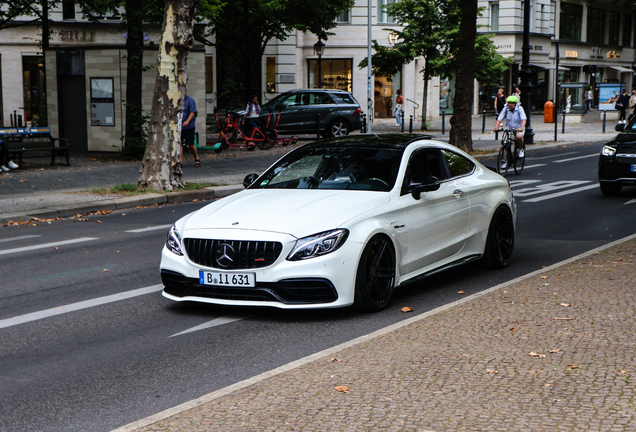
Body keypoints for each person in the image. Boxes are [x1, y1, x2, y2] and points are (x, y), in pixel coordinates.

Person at [494, 95, 527, 170]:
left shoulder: (519, 109)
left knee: (519, 137)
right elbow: (500, 118)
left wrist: (521, 127)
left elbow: (524, 119)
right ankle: (505, 161)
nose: (510, 105)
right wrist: (496, 127)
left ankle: (521, 149)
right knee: (506, 144)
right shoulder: (505, 109)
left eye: (512, 103)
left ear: (515, 104)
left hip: (519, 128)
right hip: (510, 129)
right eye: (509, 103)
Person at [180, 88, 200, 167]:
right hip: (179, 127)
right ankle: (180, 161)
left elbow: (193, 112)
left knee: (190, 144)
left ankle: (196, 157)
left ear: (186, 92)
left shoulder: (190, 100)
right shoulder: (177, 101)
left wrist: (187, 121)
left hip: (189, 126)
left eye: (183, 91)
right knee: (179, 144)